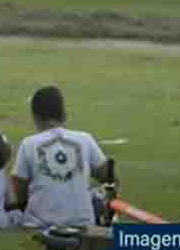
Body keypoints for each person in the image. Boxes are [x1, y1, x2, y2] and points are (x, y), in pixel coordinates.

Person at [11, 86, 113, 229]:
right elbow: (108, 176)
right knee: (96, 196)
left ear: (35, 116)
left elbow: (18, 183)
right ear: (64, 115)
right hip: (83, 224)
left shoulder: (28, 143)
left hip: (38, 224)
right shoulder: (85, 139)